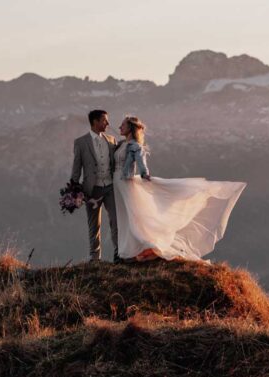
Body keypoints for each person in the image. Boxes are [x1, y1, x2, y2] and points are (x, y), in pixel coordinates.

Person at [112, 115, 246, 262]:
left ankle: (140, 248)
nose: (119, 127)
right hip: (118, 183)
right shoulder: (121, 144)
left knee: (133, 216)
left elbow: (141, 162)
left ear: (130, 128)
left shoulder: (134, 146)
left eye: (123, 125)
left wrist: (145, 175)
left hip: (126, 183)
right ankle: (128, 251)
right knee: (123, 216)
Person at [70, 109, 119, 262]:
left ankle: (119, 254)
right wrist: (74, 190)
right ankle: (94, 258)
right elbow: (76, 167)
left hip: (110, 187)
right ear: (95, 122)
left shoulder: (111, 140)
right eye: (104, 120)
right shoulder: (80, 142)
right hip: (92, 190)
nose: (108, 123)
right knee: (94, 225)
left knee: (116, 221)